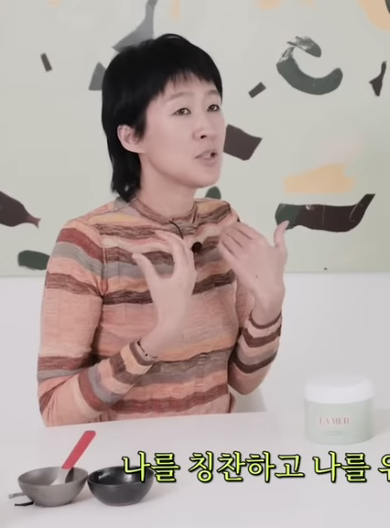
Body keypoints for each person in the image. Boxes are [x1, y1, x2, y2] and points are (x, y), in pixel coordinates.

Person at [36, 34, 288, 427]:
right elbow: (56, 411)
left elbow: (241, 380)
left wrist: (269, 305)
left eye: (213, 106)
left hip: (216, 455)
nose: (207, 127)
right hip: (130, 463)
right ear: (131, 136)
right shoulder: (89, 242)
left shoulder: (222, 223)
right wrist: (159, 336)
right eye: (182, 110)